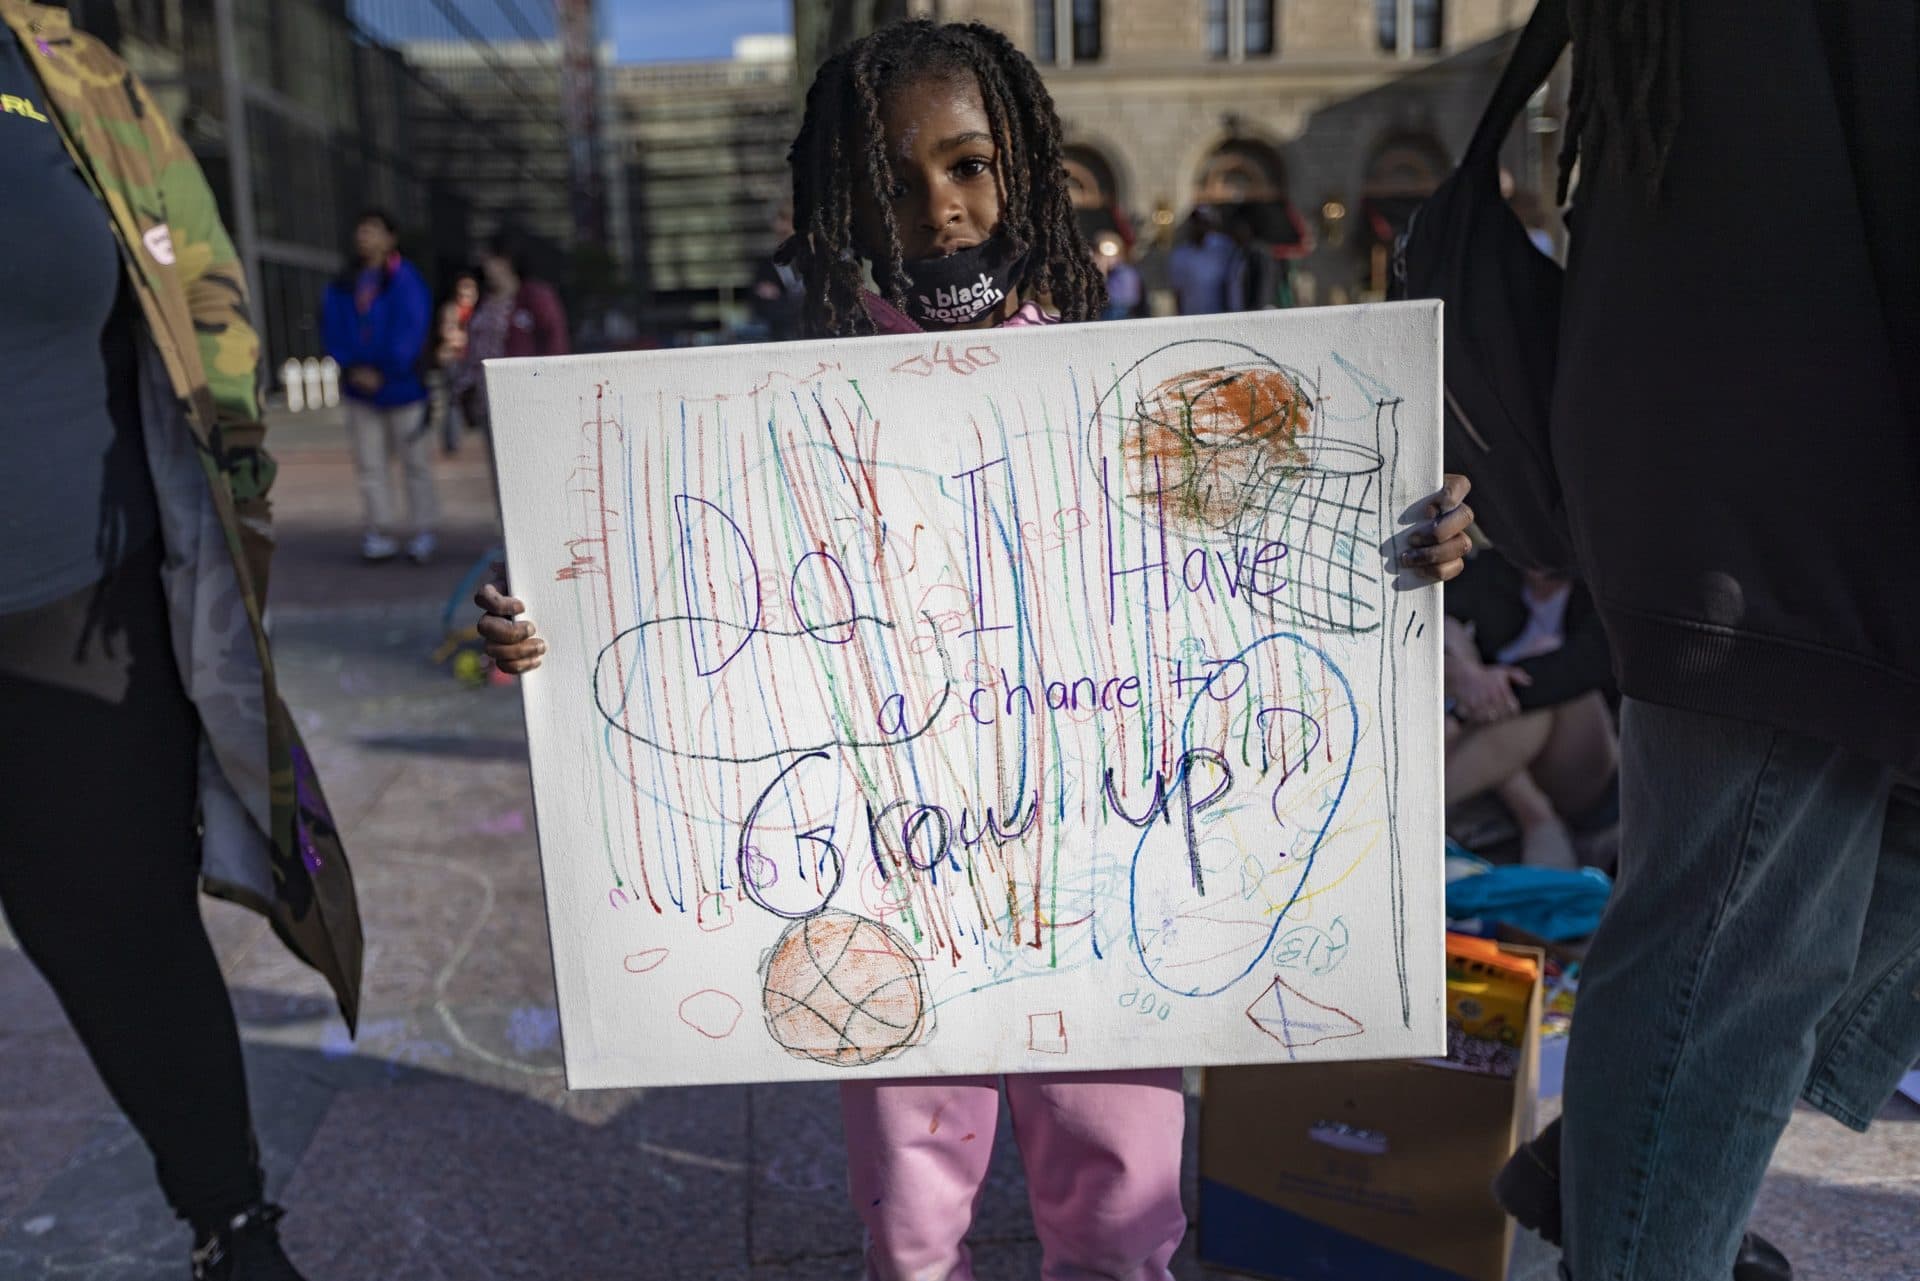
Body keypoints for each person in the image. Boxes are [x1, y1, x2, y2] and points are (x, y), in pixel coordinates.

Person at [475, 19, 1476, 1279]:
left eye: (966, 166)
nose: (939, 209)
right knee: (912, 1221)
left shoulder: (1137, 392)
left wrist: (1410, 544)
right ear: (842, 198)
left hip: (1113, 870)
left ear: (1024, 166)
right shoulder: (765, 408)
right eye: (893, 181)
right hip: (892, 885)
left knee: (1121, 1212)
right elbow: (654, 585)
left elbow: (1273, 558)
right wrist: (539, 625)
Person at [1486, 3, 1920, 1280]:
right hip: (1791, 482)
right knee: (1734, 943)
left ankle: (1637, 1155)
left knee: (1731, 946)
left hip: (1721, 457)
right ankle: (1643, 1213)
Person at [0, 5, 363, 1277]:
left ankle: (232, 1222)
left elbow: (201, 291)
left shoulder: (64, 69)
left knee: (123, 932)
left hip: (76, 600)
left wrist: (227, 508)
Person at [1443, 547, 1617, 870]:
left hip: (1583, 764)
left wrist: (1461, 714)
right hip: (1508, 751)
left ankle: (1416, 802)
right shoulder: (1492, 573)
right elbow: (1444, 616)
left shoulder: (1602, 595)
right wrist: (1467, 675)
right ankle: (1534, 812)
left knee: (1546, 700)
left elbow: (1573, 673)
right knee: (1452, 637)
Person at [321, 209, 437, 563]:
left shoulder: (405, 279)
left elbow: (412, 329)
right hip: (360, 391)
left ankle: (423, 530)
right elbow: (331, 328)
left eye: (372, 230)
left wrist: (385, 369)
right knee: (370, 465)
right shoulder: (344, 282)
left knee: (415, 463)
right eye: (361, 230)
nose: (365, 238)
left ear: (391, 237)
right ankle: (380, 530)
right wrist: (353, 366)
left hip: (403, 388)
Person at [454, 229, 570, 433]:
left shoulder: (535, 297)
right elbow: (474, 348)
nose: (487, 265)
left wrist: (549, 387)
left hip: (527, 397)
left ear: (508, 261)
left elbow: (555, 341)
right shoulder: (484, 300)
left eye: (491, 259)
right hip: (488, 399)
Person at [1167, 205, 1244, 315]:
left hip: (1221, 314)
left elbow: (1233, 281)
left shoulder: (1224, 246)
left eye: (1205, 223)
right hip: (1192, 316)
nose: (1201, 227)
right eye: (1197, 223)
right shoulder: (1180, 255)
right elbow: (1178, 291)